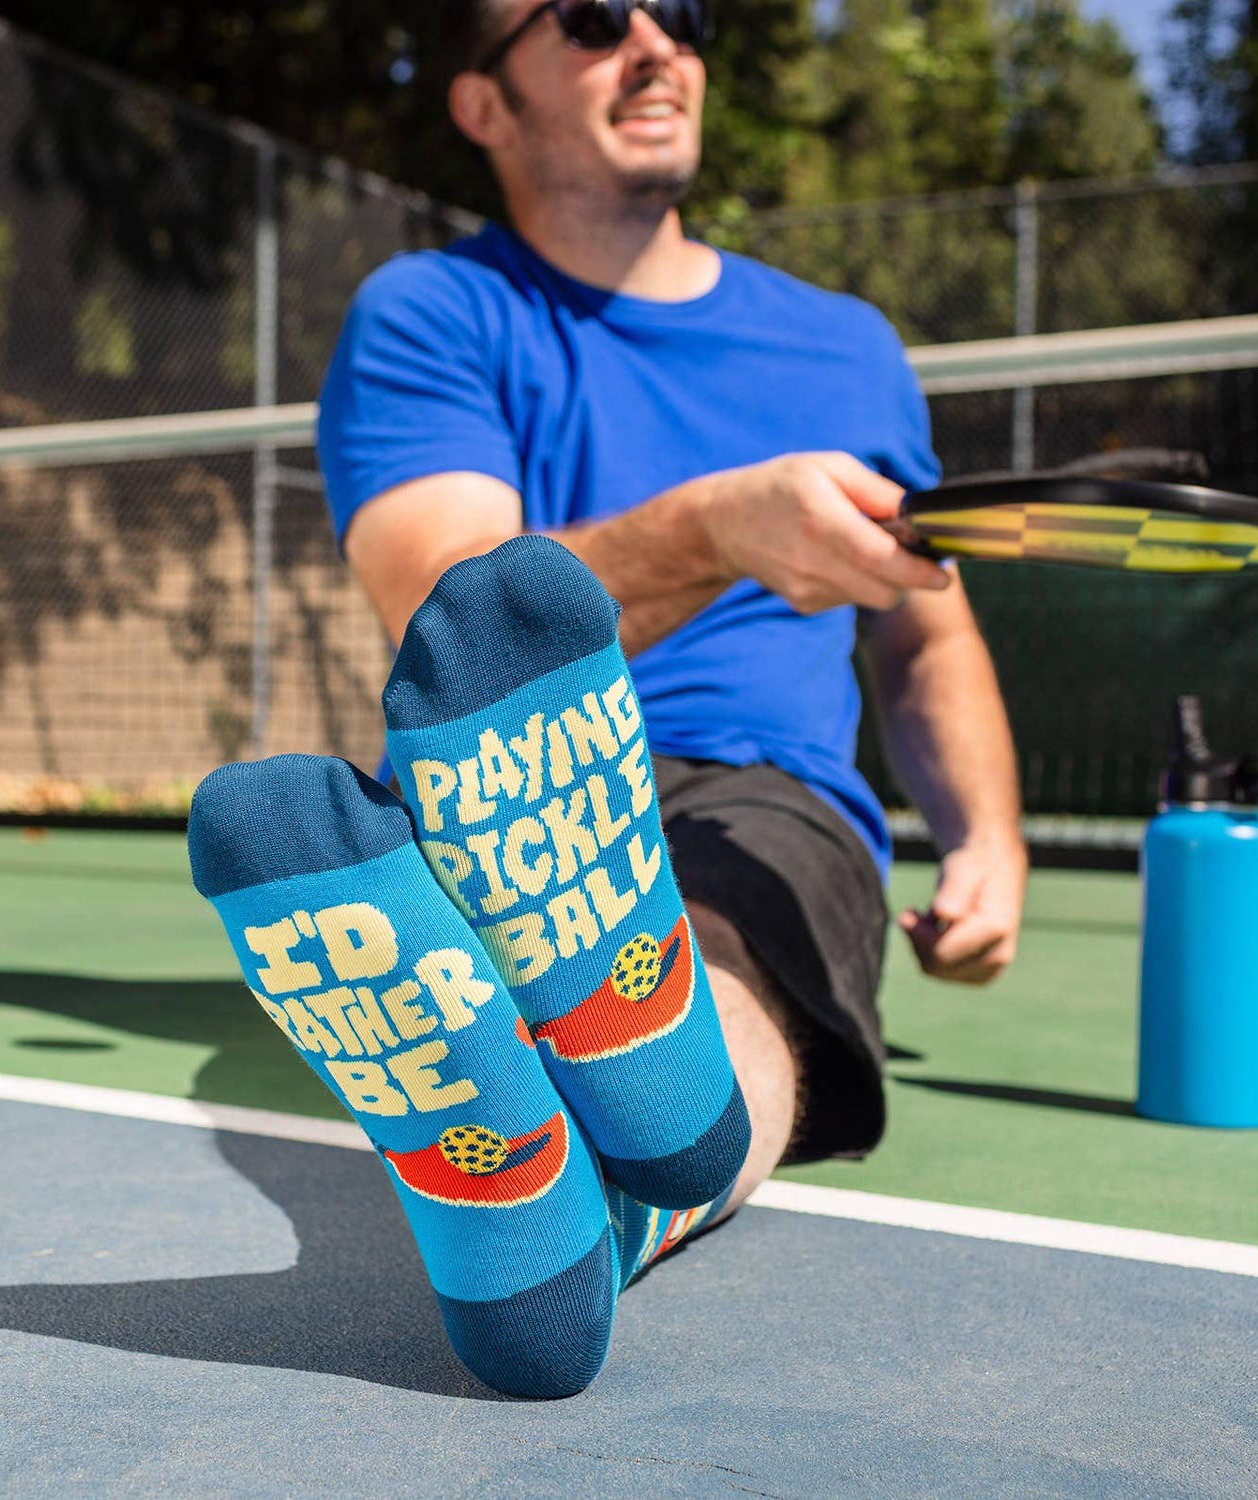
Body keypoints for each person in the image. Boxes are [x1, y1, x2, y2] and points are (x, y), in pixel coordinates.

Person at [313, 0, 1026, 1295]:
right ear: (485, 106)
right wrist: (711, 529)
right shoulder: (431, 313)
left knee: (713, 952)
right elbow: (453, 623)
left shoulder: (849, 346)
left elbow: (924, 633)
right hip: (520, 779)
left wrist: (988, 838)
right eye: (591, 19)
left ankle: (577, 1196)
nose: (657, 46)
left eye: (681, 13)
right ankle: (544, 1086)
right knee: (593, 921)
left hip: (757, 786)